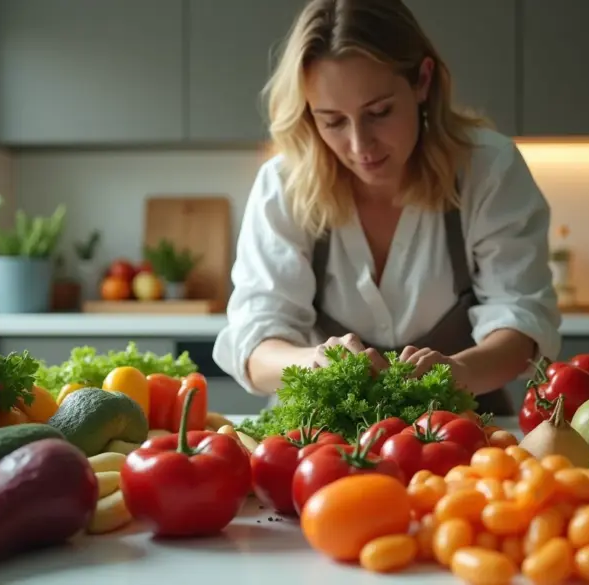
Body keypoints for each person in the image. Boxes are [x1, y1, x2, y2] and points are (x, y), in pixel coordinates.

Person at [212, 0, 562, 416]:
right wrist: (313, 363)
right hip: (320, 434)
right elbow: (255, 344)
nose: (360, 146)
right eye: (332, 121)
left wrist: (456, 371)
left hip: (459, 426)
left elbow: (523, 325)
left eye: (379, 112)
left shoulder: (487, 169)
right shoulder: (283, 185)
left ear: (422, 81)